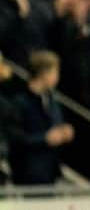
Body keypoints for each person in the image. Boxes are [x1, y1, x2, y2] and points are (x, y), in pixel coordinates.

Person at [9, 50, 74, 184]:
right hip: (27, 175)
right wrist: (45, 139)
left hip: (51, 173)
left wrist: (63, 132)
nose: (57, 77)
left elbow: (56, 125)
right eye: (55, 72)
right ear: (43, 73)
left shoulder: (53, 100)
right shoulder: (19, 103)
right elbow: (15, 140)